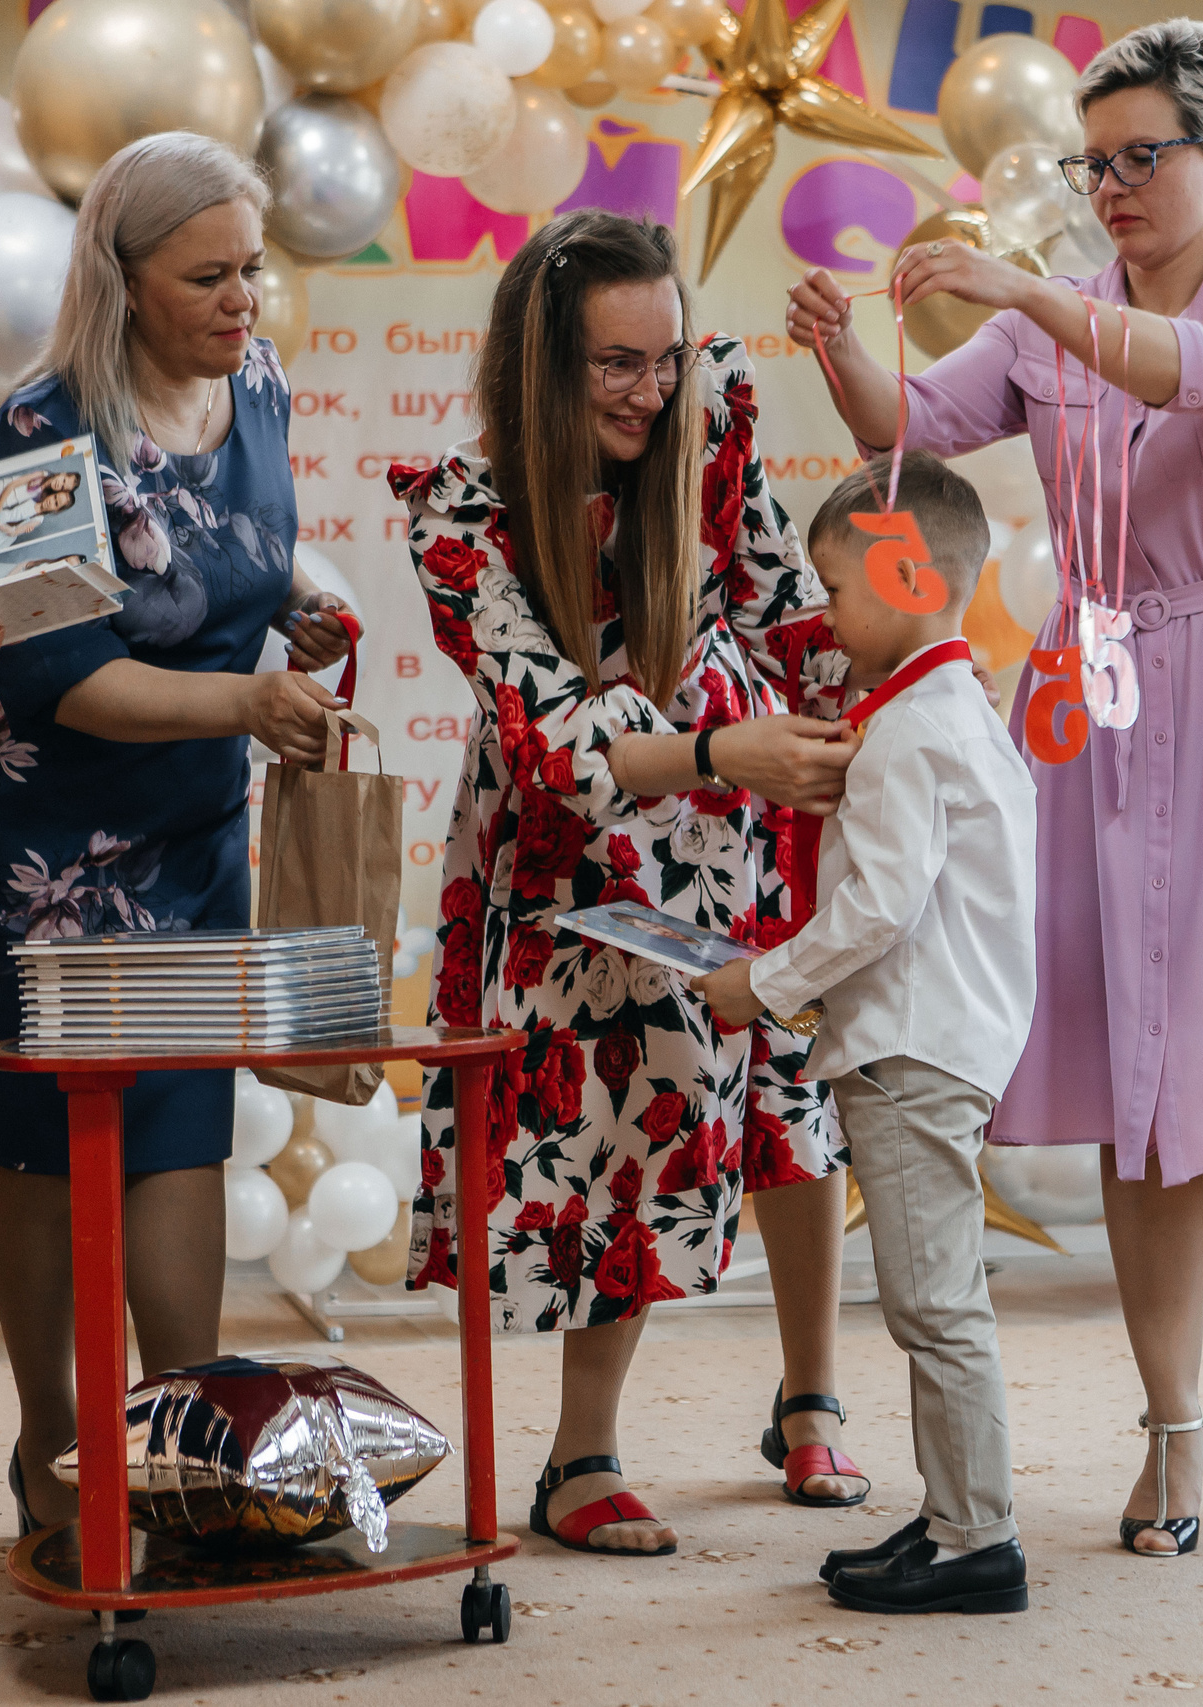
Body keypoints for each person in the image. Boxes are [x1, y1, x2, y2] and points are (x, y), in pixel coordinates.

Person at [786, 17, 1203, 1558]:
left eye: (1143, 157)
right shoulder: (1050, 320)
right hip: (1105, 697)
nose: (1115, 186)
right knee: (1148, 1083)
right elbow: (908, 429)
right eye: (1096, 163)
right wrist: (839, 346)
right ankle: (1173, 1426)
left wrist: (1026, 294)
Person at [396, 208, 868, 1556]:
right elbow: (555, 747)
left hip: (744, 822)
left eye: (665, 358)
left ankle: (811, 1397)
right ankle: (580, 1455)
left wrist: (897, 691)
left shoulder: (707, 421)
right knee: (614, 1129)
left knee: (789, 1097)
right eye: (616, 364)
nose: (651, 391)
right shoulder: (462, 515)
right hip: (577, 856)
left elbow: (782, 602)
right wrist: (724, 749)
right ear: (540, 364)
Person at [0, 132, 353, 1537]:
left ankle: (182, 1449)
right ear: (122, 278)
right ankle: (52, 1444)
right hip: (34, 837)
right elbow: (63, 677)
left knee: (178, 1123)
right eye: (208, 277)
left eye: (253, 268)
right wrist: (248, 695)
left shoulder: (256, 383)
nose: (244, 300)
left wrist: (295, 615)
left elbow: (239, 562)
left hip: (187, 821)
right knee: (47, 1138)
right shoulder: (38, 434)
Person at [695, 453, 1038, 1617]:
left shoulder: (910, 732)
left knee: (933, 1305)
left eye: (836, 588)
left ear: (903, 577)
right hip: (938, 1038)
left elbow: (880, 907)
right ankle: (951, 1517)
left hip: (913, 1049)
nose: (826, 616)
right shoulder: (948, 711)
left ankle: (978, 1538)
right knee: (929, 1296)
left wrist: (762, 983)